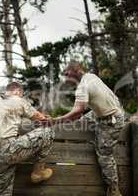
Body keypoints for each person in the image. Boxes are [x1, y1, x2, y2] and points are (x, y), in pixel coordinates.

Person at [53, 62, 125, 196]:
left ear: (77, 70)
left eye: (67, 73)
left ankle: (114, 189)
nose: (66, 77)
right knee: (79, 123)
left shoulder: (83, 86)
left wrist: (56, 120)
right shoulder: (91, 76)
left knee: (104, 155)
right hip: (109, 111)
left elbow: (77, 111)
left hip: (110, 120)